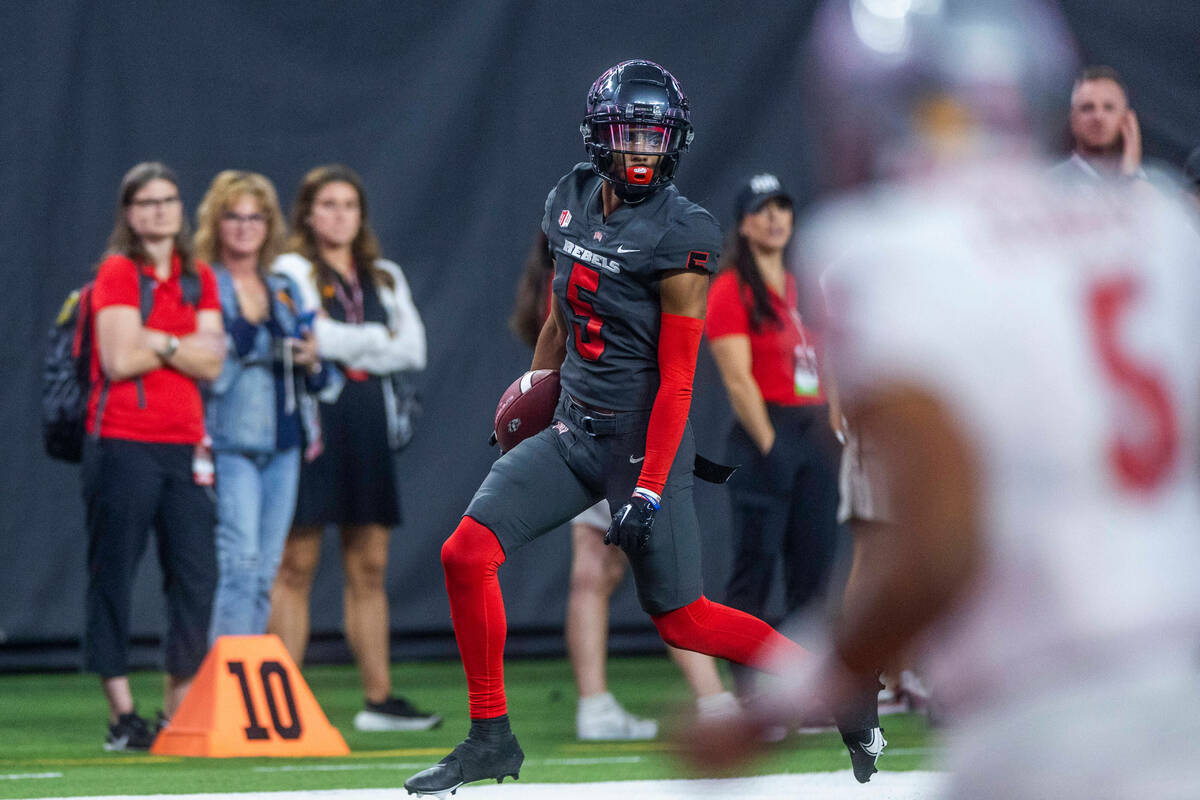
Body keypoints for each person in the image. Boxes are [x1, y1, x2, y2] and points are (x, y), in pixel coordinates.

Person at [694, 2, 1200, 797]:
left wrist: (781, 703)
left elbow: (935, 547)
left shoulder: (886, 251)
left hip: (1050, 715)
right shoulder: (1158, 214)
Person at [404, 59, 871, 798]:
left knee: (686, 621)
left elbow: (680, 377)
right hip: (573, 428)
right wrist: (532, 388)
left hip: (642, 444)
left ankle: (839, 689)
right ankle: (491, 736)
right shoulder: (569, 197)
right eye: (630, 137)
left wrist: (649, 489)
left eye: (656, 139)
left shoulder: (683, 231)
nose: (644, 153)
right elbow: (560, 316)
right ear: (600, 138)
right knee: (466, 554)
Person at [509, 233, 734, 742]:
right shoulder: (598, 270)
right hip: (622, 433)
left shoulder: (564, 270)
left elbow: (547, 349)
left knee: (593, 572)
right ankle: (715, 702)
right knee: (666, 577)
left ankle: (596, 704)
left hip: (579, 430)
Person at [269, 165, 438, 732]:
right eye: (327, 204)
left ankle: (379, 700)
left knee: (369, 564)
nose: (339, 215)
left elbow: (412, 349)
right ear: (308, 215)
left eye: (349, 205)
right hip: (316, 424)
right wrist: (373, 342)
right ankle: (281, 704)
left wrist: (343, 343)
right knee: (296, 563)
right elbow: (303, 336)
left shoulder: (384, 276)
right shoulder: (290, 269)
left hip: (369, 425)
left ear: (361, 215)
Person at [83, 162, 226, 749]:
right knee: (113, 574)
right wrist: (180, 343)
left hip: (185, 448)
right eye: (144, 202)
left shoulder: (199, 277)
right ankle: (122, 713)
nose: (158, 210)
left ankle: (174, 709)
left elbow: (213, 362)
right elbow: (118, 360)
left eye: (167, 199)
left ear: (180, 208)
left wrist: (154, 339)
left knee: (196, 577)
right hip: (121, 442)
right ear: (129, 212)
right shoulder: (117, 271)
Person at [705, 172, 841, 701]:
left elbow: (826, 361)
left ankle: (808, 688)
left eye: (782, 207)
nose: (775, 218)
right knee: (755, 566)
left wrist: (832, 428)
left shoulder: (804, 286)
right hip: (764, 434)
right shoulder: (729, 291)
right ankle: (747, 689)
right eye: (761, 209)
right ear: (743, 224)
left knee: (813, 565)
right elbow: (738, 379)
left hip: (812, 433)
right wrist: (770, 445)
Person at [194, 171, 328, 641]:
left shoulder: (283, 286)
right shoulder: (205, 284)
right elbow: (212, 372)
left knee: (265, 569)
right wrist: (250, 335)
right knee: (241, 565)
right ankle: (224, 685)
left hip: (286, 442)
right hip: (232, 440)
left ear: (269, 225)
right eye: (234, 216)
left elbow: (322, 378)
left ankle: (244, 684)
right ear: (216, 222)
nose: (245, 226)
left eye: (255, 217)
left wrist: (312, 359)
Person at [1049, 65, 1144, 185]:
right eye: (1087, 108)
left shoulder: (1158, 187)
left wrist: (1132, 173)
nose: (1098, 117)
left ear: (1127, 119)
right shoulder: (1050, 185)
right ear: (1073, 119)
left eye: (1109, 108)